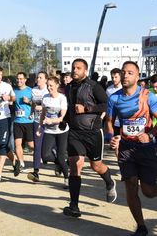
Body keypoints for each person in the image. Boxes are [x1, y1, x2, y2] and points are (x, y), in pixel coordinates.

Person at [107, 61, 157, 236]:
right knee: (130, 184)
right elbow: (109, 122)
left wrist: (150, 135)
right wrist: (112, 138)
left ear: (137, 76)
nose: (125, 75)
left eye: (130, 72)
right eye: (123, 72)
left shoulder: (147, 96)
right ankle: (141, 226)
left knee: (149, 192)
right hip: (126, 148)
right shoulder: (114, 98)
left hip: (145, 148)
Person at [63, 58, 117, 218]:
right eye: (73, 67)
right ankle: (74, 206)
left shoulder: (94, 86)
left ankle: (109, 181)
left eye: (78, 68)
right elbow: (71, 108)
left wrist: (87, 108)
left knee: (96, 166)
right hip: (74, 132)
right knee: (75, 164)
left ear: (85, 70)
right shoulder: (69, 87)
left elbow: (107, 105)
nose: (74, 70)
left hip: (93, 132)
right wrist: (64, 120)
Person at [37, 76, 69, 188]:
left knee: (61, 157)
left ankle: (66, 178)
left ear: (57, 85)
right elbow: (42, 114)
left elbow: (62, 117)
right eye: (48, 85)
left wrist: (51, 120)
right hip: (49, 130)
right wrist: (40, 127)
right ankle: (60, 163)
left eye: (51, 85)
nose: (49, 88)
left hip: (61, 130)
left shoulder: (62, 98)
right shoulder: (45, 98)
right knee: (45, 156)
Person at [27, 71, 49, 182]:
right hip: (37, 121)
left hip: (49, 122)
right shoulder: (33, 90)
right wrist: (31, 113)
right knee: (37, 146)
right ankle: (36, 172)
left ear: (46, 80)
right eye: (38, 77)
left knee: (47, 151)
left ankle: (60, 163)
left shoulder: (48, 90)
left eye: (41, 77)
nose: (38, 79)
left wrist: (43, 108)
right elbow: (33, 104)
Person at [13, 72, 34, 176]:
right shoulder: (13, 91)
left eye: (21, 79)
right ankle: (21, 163)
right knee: (18, 144)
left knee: (31, 145)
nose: (19, 81)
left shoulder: (30, 91)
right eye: (17, 79)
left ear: (25, 80)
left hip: (29, 121)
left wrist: (29, 102)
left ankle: (46, 152)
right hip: (17, 121)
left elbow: (37, 104)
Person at [106, 68, 122, 136]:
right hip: (113, 121)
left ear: (120, 77)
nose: (114, 79)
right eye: (112, 77)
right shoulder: (108, 90)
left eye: (116, 77)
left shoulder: (124, 88)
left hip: (123, 120)